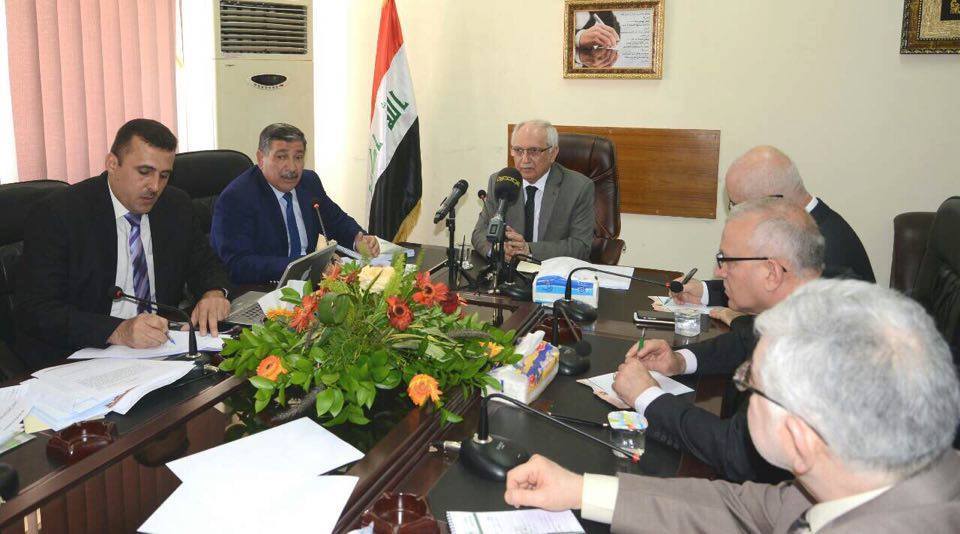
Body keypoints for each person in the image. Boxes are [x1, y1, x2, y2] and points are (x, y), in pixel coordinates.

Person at [505, 280, 960, 532]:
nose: (741, 384)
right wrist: (580, 490)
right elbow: (747, 509)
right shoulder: (867, 479)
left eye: (749, 382)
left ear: (798, 437)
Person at [614, 198, 824, 483]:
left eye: (727, 261)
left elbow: (737, 454)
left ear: (772, 272)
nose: (718, 272)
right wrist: (678, 360)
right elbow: (746, 340)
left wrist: (646, 396)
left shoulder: (806, 347)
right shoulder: (806, 303)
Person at [14, 119, 231, 371]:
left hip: (160, 348)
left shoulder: (175, 205)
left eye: (164, 175)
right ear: (112, 164)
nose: (155, 186)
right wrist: (118, 330)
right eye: (144, 172)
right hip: (82, 355)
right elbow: (36, 309)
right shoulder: (59, 214)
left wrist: (214, 293)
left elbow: (205, 263)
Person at [673, 145, 875, 310]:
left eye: (737, 206)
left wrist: (739, 321)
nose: (735, 214)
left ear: (771, 201)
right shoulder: (809, 224)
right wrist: (705, 291)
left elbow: (789, 320)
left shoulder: (822, 249)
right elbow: (763, 285)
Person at [211, 123, 379, 284]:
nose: (292, 168)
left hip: (312, 283)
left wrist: (358, 240)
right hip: (265, 288)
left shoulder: (309, 182)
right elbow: (238, 264)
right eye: (281, 157)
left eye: (298, 157)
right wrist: (303, 265)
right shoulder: (238, 197)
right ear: (261, 159)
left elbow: (336, 221)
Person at [471, 120, 594, 262]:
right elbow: (479, 233)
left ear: (553, 153)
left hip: (552, 270)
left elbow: (581, 246)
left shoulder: (579, 187)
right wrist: (498, 251)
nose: (525, 159)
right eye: (518, 150)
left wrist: (529, 250)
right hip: (509, 269)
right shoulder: (500, 182)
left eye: (534, 151)